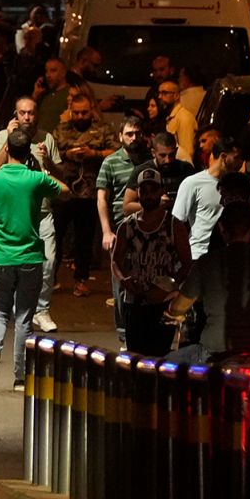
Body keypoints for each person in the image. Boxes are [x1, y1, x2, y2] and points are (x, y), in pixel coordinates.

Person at [0, 129, 65, 390]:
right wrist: (46, 173)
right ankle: (20, 377)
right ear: (29, 153)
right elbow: (66, 191)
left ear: (7, 149)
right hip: (30, 257)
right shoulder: (36, 179)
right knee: (24, 316)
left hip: (1, 256)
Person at [165, 201, 250, 365]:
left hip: (216, 351)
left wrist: (174, 312)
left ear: (222, 228)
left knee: (165, 364)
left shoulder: (207, 263)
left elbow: (179, 307)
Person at [0, 96, 63, 332]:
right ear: (15, 114)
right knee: (16, 264)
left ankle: (41, 309)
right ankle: (18, 307)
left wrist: (49, 161)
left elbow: (60, 174)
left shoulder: (47, 138)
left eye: (31, 113)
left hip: (41, 211)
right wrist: (7, 141)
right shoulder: (4, 136)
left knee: (49, 261)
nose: (27, 117)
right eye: (22, 113)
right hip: (12, 212)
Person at [111, 169, 192, 356]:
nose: (148, 195)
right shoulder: (127, 226)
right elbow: (115, 261)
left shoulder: (173, 226)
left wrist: (168, 287)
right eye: (144, 190)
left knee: (161, 355)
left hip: (163, 303)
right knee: (136, 355)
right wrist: (125, 281)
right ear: (138, 193)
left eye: (153, 190)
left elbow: (187, 264)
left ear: (161, 191)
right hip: (135, 302)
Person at [53, 92, 117, 296]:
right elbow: (51, 153)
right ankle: (50, 277)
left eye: (84, 113)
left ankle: (81, 278)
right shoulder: (61, 130)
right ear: (71, 112)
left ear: (91, 111)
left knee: (85, 238)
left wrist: (94, 154)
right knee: (56, 235)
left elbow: (116, 150)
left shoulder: (102, 129)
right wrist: (67, 154)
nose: (81, 117)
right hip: (64, 189)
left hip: (89, 191)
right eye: (77, 113)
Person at [97, 116, 151, 346]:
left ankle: (143, 328)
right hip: (121, 231)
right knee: (121, 283)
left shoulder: (150, 160)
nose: (133, 137)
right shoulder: (110, 162)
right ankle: (124, 332)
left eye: (137, 133)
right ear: (120, 136)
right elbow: (102, 198)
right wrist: (106, 231)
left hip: (148, 230)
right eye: (129, 134)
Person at [173, 135, 245, 261]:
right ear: (223, 157)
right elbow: (177, 223)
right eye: (236, 158)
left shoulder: (238, 185)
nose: (240, 162)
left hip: (229, 256)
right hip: (200, 255)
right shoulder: (193, 183)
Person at [122, 132, 195, 216]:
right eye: (162, 155)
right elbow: (127, 208)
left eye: (171, 155)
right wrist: (156, 205)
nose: (168, 160)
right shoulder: (142, 171)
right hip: (151, 224)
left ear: (176, 151)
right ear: (153, 153)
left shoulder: (186, 169)